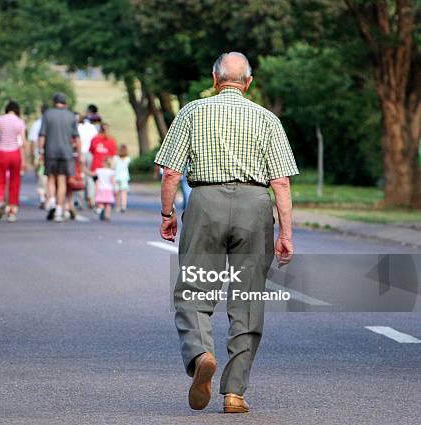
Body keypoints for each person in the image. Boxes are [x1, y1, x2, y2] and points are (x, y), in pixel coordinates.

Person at [154, 52, 298, 413]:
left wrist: (168, 212)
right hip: (255, 206)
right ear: (247, 83)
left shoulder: (191, 112)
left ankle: (202, 353)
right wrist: (286, 234)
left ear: (215, 79)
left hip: (205, 203)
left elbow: (171, 172)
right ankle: (234, 393)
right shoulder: (267, 119)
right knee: (248, 299)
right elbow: (280, 182)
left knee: (192, 291)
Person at [38, 93, 80, 222]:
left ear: (54, 102)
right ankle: (60, 209)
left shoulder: (48, 114)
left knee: (51, 178)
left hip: (50, 151)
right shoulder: (71, 115)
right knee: (62, 181)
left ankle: (51, 200)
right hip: (66, 152)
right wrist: (79, 153)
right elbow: (76, 137)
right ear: (65, 102)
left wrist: (40, 151)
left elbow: (42, 135)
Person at [0, 100, 26, 222]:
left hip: (2, 152)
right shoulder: (20, 122)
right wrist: (24, 160)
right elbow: (22, 142)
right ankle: (12, 210)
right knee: (15, 182)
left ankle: (0, 200)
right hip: (15, 153)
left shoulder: (0, 120)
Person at [77, 112, 98, 209]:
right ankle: (91, 197)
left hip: (80, 153)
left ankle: (80, 200)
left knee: (81, 176)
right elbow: (95, 141)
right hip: (90, 153)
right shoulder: (92, 128)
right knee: (90, 176)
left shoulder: (78, 127)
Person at [28, 105, 47, 209]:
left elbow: (33, 141)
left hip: (39, 154)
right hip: (49, 153)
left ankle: (43, 197)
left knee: (40, 176)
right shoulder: (50, 123)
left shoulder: (36, 124)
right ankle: (48, 196)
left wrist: (33, 155)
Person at [94, 156, 116, 221]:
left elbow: (96, 180)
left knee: (101, 203)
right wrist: (115, 189)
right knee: (108, 204)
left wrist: (96, 188)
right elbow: (112, 181)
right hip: (109, 189)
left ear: (103, 163)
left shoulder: (98, 171)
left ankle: (100, 210)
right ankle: (107, 216)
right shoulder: (111, 172)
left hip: (101, 189)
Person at [113, 144, 130, 212]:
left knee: (117, 193)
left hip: (116, 177)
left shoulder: (115, 158)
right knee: (124, 193)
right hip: (124, 177)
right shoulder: (128, 159)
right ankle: (123, 206)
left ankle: (117, 206)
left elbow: (113, 167)